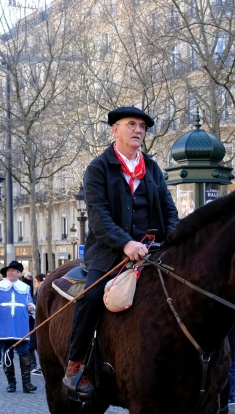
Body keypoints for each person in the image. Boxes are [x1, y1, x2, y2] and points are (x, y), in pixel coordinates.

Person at [63, 106, 179, 397]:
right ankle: (76, 364)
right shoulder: (98, 168)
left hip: (153, 250)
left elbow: (168, 210)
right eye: (131, 124)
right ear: (115, 130)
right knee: (90, 297)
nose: (138, 130)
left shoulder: (151, 168)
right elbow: (99, 216)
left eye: (142, 126)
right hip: (108, 253)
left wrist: (179, 239)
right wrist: (126, 243)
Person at [0, 260, 37, 393]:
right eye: (8, 271)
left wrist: (31, 308)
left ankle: (27, 383)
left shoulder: (25, 288)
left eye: (13, 271)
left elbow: (29, 304)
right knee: (7, 355)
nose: (10, 273)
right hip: (5, 327)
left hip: (21, 327)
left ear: (19, 273)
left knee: (24, 354)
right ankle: (11, 383)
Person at [30, 273, 46, 375]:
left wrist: (33, 308)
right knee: (32, 346)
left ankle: (36, 366)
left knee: (33, 346)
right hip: (35, 323)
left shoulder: (42, 291)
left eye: (35, 281)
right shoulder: (39, 291)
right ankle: (35, 366)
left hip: (39, 324)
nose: (34, 283)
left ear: (40, 282)